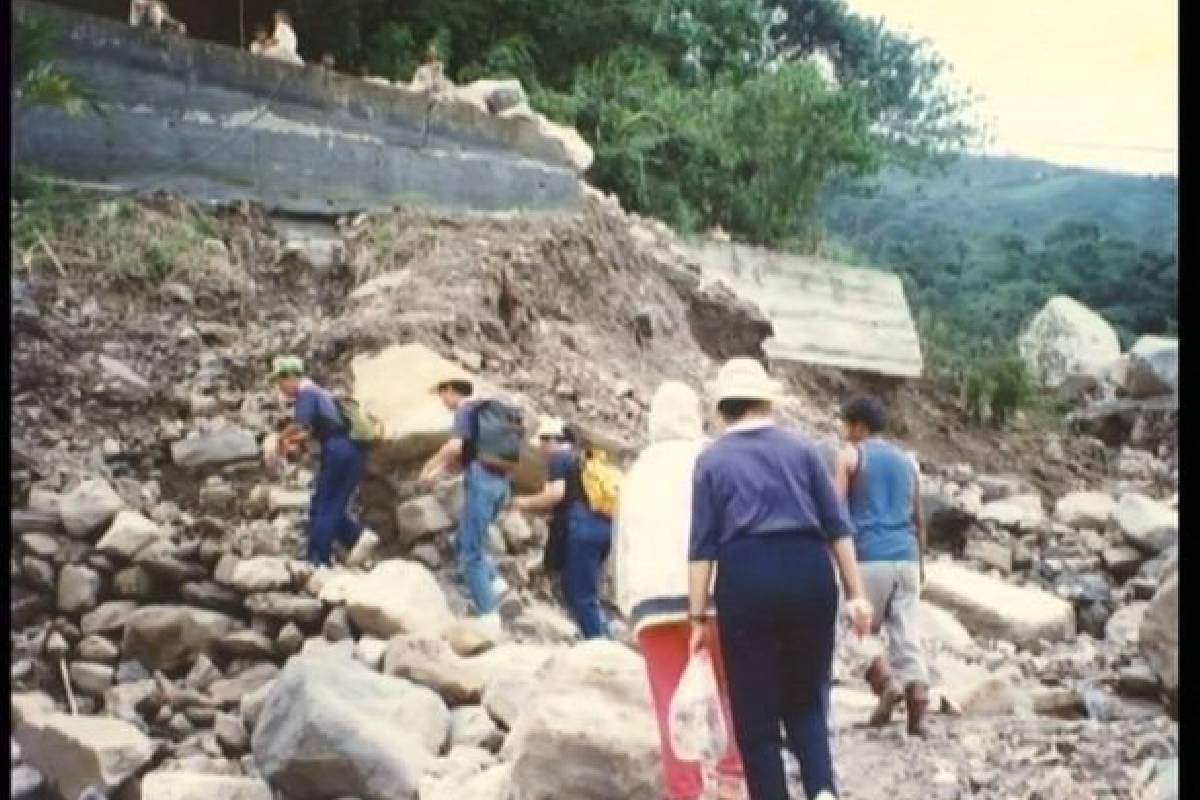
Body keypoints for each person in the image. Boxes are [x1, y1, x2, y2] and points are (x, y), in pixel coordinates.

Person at [687, 358, 872, 800]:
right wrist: (856, 595)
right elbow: (837, 526)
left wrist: (696, 618)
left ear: (723, 407)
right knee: (807, 698)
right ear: (766, 401)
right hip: (809, 570)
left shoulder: (711, 460)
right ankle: (822, 790)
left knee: (756, 714)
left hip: (747, 573)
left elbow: (702, 548)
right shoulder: (803, 449)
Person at [613, 382, 746, 800]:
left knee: (672, 703)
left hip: (651, 603)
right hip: (712, 597)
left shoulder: (638, 471)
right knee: (730, 689)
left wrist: (626, 603)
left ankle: (685, 792)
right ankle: (732, 780)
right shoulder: (712, 458)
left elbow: (622, 543)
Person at [833, 394, 930, 737]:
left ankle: (886, 684)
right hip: (905, 556)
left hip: (868, 558)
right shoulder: (907, 462)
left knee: (853, 629)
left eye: (846, 424)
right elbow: (918, 517)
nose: (843, 432)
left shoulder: (851, 456)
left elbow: (835, 511)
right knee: (906, 634)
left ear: (859, 426)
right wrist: (920, 561)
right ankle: (918, 703)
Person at [419, 376, 513, 636]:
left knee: (470, 553)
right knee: (462, 538)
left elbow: (455, 446)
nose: (443, 402)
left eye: (442, 396)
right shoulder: (488, 413)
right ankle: (495, 583)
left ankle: (488, 616)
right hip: (501, 484)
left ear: (449, 390)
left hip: (481, 482)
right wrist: (439, 472)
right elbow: (462, 453)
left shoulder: (465, 409)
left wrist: (428, 468)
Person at [270, 356, 378, 569]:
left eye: (280, 381)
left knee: (325, 505)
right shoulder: (322, 394)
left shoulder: (307, 393)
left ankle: (318, 561)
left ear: (291, 377)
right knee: (325, 503)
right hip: (347, 450)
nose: (280, 388)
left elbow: (300, 425)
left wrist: (280, 439)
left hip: (338, 450)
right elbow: (313, 431)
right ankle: (357, 537)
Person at [514, 418, 612, 639]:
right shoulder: (585, 460)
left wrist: (523, 502)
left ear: (552, 440)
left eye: (543, 443)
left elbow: (555, 494)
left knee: (581, 596)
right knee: (584, 591)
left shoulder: (559, 458)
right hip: (603, 528)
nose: (542, 452)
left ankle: (601, 648)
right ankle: (600, 635)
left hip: (581, 531)